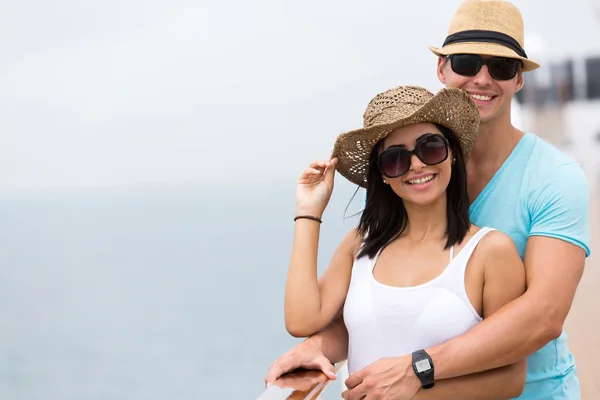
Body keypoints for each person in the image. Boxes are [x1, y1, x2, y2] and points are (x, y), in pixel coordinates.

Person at [265, 1, 591, 399]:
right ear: (442, 69)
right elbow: (381, 309)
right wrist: (317, 347)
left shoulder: (553, 180)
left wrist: (417, 370)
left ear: (519, 79)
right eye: (468, 62)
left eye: (502, 67)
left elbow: (543, 316)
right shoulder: (411, 177)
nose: (482, 79)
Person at [283, 85, 528, 398]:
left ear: (451, 154)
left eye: (430, 147)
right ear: (382, 174)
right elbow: (301, 320)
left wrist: (411, 389)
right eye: (395, 158)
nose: (416, 165)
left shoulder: (490, 252)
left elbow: (511, 379)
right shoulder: (362, 243)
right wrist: (308, 212)